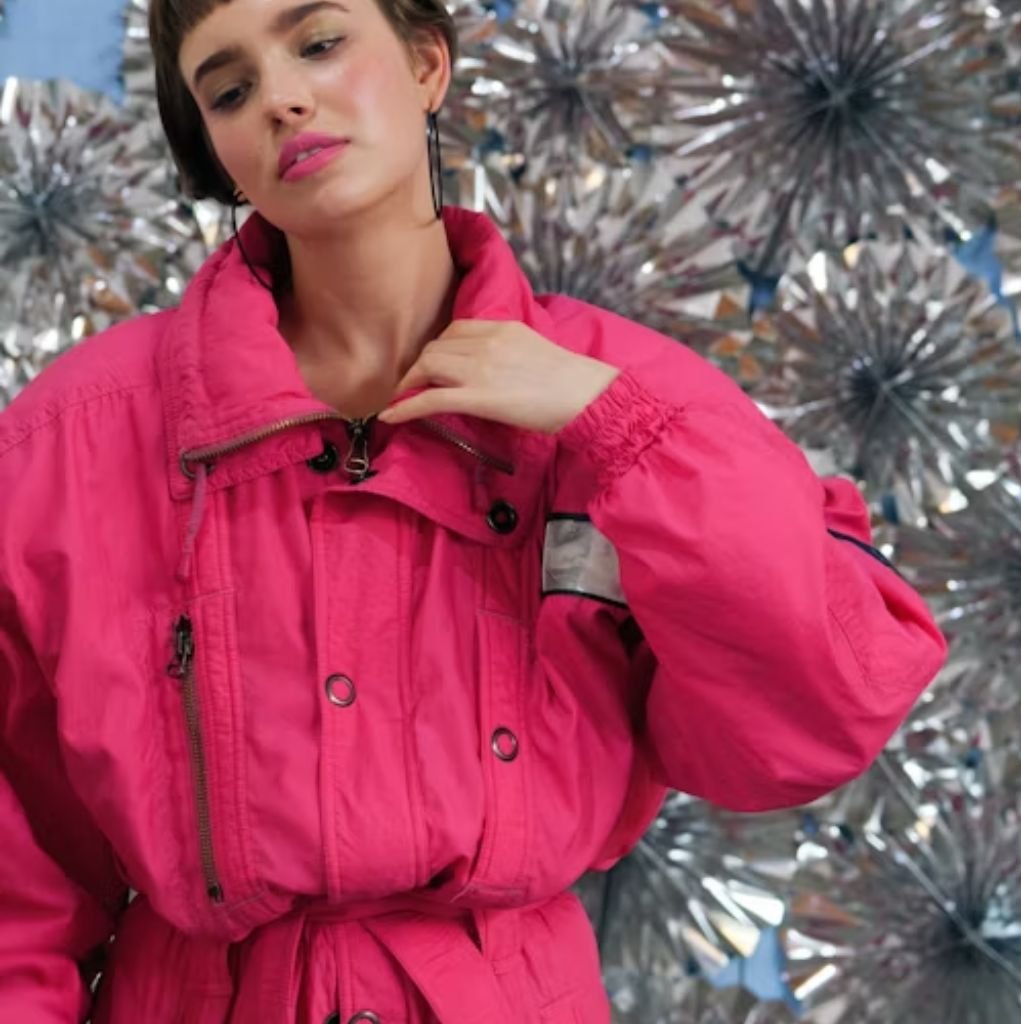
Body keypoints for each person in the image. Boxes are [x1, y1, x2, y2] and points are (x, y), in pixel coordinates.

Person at [0, 0, 948, 1021]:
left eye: (319, 43)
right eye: (227, 89)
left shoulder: (627, 402)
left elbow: (809, 716)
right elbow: (18, 861)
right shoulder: (76, 437)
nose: (279, 96)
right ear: (217, 149)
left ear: (426, 67)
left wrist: (618, 430)